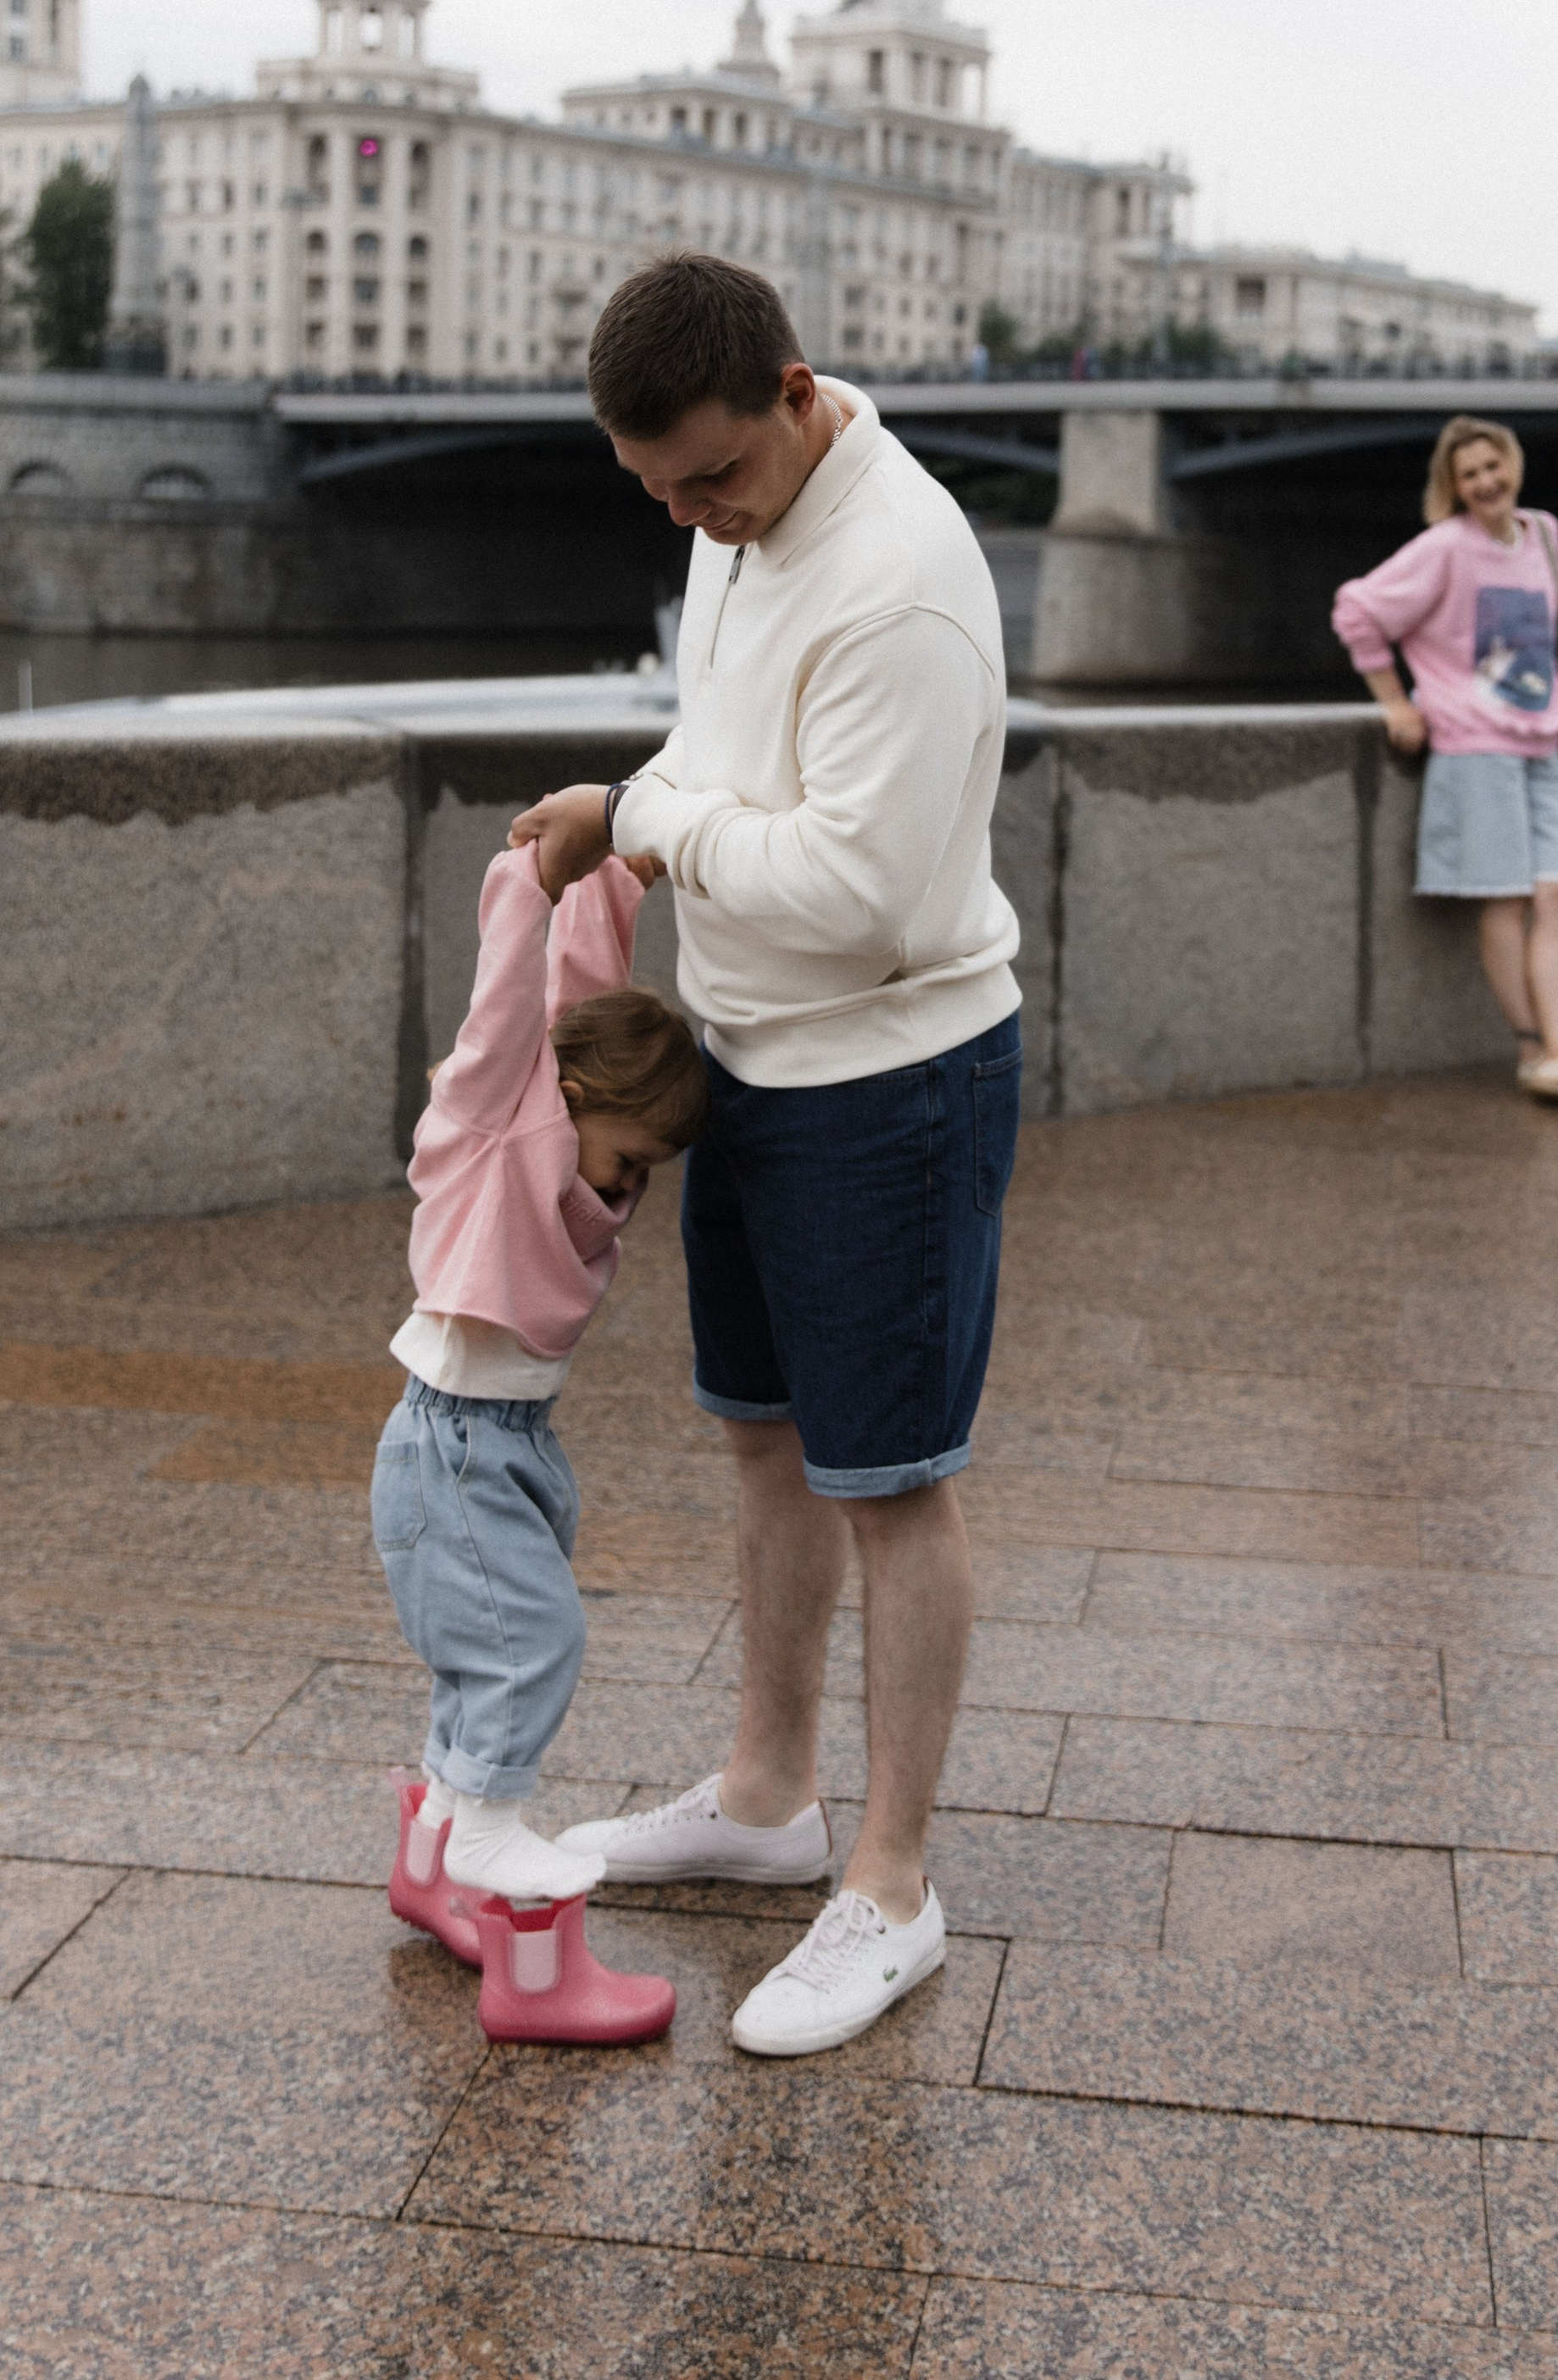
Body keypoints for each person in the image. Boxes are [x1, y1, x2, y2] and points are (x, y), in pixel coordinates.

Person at [512, 250, 1022, 2060]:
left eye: (712, 478)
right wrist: (636, 803)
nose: (693, 518)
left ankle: (887, 1886)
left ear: (797, 392)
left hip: (888, 1074)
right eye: (656, 493)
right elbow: (732, 757)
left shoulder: (900, 584)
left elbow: (859, 892)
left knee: (891, 1480)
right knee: (766, 1444)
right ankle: (763, 1795)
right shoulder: (736, 522)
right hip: (748, 1062)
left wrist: (648, 813)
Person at [373, 839, 712, 2044]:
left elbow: (586, 1002)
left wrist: (617, 870)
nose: (632, 1190)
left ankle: (434, 1856)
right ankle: (486, 1838)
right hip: (453, 1446)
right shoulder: (494, 1121)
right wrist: (531, 874)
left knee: (483, 1661)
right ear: (569, 1104)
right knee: (532, 1642)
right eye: (634, 1158)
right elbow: (518, 1006)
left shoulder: (573, 1119)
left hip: (506, 1443)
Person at [1333, 412, 1558, 1108]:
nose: (1487, 482)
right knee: (1507, 901)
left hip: (1541, 740)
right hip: (1474, 747)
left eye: (1495, 466)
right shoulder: (1446, 548)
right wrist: (1396, 703)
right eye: (1470, 475)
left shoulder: (1544, 534)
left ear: (1514, 465)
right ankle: (1545, 1052)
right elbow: (1358, 610)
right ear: (1454, 486)